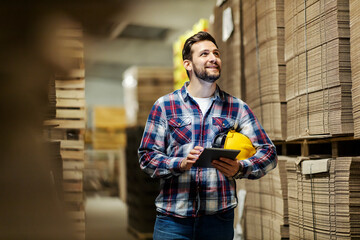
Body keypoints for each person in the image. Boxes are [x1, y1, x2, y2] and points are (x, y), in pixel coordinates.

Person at [138, 31, 277, 240]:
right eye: (204, 54)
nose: (213, 58)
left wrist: (240, 167)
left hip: (218, 221)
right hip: (173, 220)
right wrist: (180, 164)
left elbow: (269, 153)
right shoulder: (165, 106)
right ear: (188, 64)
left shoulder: (237, 108)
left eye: (216, 53)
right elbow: (147, 157)